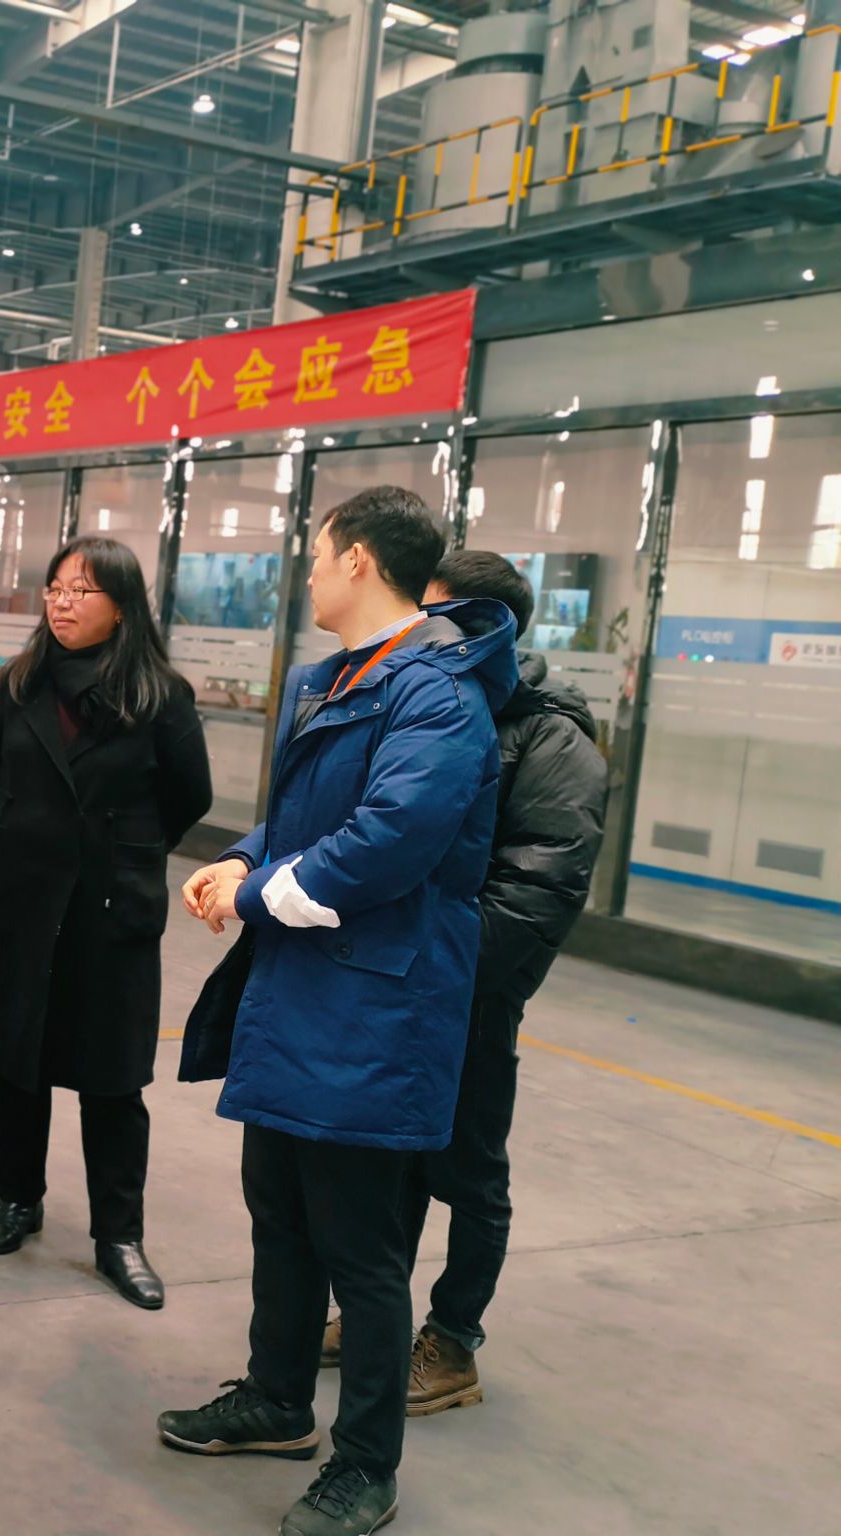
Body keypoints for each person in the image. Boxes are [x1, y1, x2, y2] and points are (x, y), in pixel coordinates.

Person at [162, 487, 516, 1536]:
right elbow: (299, 818)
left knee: (361, 1251)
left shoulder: (438, 695)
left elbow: (387, 840)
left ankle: (366, 1465)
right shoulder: (331, 679)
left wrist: (254, 896)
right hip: (299, 991)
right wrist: (240, 858)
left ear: (358, 559)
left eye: (317, 555)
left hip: (375, 1011)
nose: (308, 573)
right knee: (278, 1213)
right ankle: (276, 1402)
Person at [319, 550, 606, 1414]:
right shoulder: (433, 704)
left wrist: (439, 965)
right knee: (392, 1156)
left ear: (491, 626)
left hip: (469, 991)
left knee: (470, 1170)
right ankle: (378, 1313)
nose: (419, 629)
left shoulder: (551, 738)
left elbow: (539, 890)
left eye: (436, 615)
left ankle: (453, 1340)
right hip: (404, 977)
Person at [0, 536, 212, 1310]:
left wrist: (121, 851)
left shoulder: (160, 696)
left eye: (82, 590)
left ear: (122, 607)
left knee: (113, 1079)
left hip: (111, 911)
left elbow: (190, 796)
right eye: (55, 588)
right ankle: (19, 1200)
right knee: (20, 1061)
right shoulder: (21, 681)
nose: (62, 602)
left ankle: (119, 1238)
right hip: (22, 902)